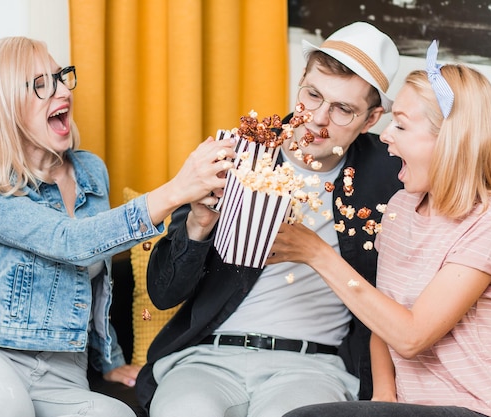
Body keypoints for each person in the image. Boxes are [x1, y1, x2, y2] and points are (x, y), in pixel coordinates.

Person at [0, 36, 235, 417]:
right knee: (5, 409)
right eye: (41, 84)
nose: (61, 90)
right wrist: (176, 191)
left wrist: (111, 360)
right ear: (3, 105)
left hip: (62, 372)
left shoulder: (90, 171)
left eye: (60, 76)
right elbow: (70, 241)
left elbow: (97, 277)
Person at [136, 22, 404, 417]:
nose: (317, 118)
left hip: (311, 367)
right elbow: (162, 293)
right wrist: (198, 224)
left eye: (343, 110)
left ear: (371, 119)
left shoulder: (390, 174)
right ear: (301, 82)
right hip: (207, 359)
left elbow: (467, 192)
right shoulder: (240, 151)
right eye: (312, 95)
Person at [276, 41, 491, 417]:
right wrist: (382, 398)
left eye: (401, 126)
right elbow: (383, 316)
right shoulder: (401, 207)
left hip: (473, 407)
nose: (385, 137)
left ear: (450, 141)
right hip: (408, 407)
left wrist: (318, 254)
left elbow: (411, 337)